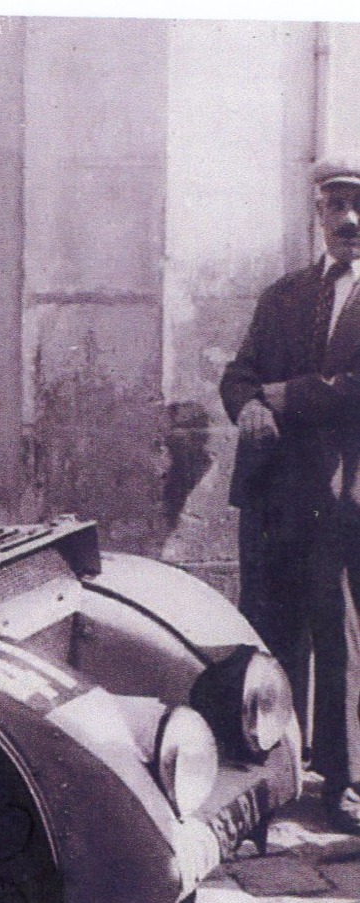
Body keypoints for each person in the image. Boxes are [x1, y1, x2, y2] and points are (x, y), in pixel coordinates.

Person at [221, 154, 360, 831]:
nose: (348, 218)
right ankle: (269, 773)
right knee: (267, 634)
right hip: (273, 494)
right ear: (318, 214)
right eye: (335, 205)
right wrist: (247, 402)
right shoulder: (282, 294)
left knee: (337, 639)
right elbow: (237, 374)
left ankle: (343, 780)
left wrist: (281, 395)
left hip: (341, 496)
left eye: (357, 204)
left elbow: (351, 389)